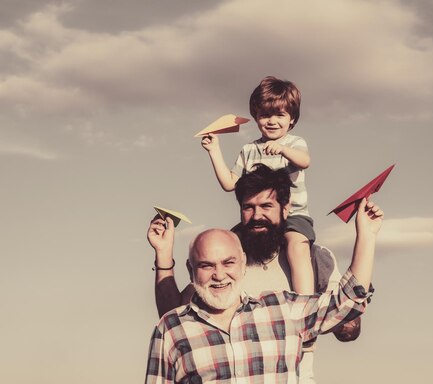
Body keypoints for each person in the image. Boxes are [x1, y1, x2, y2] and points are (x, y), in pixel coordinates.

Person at [150, 164, 363, 383]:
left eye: (266, 206)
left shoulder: (313, 258)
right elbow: (176, 321)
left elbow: (348, 327)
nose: (256, 215)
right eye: (248, 207)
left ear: (286, 207)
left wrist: (306, 321)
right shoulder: (227, 265)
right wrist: (163, 253)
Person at [201, 76, 315, 295]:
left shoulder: (294, 143)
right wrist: (214, 151)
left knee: (297, 246)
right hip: (257, 217)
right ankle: (225, 297)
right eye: (265, 115)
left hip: (293, 216)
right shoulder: (249, 150)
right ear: (256, 117)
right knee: (227, 244)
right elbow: (229, 183)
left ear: (292, 119)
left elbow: (305, 161)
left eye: (279, 115)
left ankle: (305, 302)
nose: (272, 121)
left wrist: (282, 149)